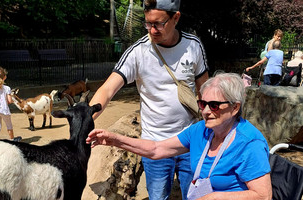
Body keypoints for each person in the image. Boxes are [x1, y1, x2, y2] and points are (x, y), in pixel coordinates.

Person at [88, 0, 209, 199]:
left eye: (158, 24)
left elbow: (205, 91)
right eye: (148, 23)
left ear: (176, 17)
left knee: (196, 196)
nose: (152, 30)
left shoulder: (193, 46)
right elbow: (108, 89)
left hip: (190, 141)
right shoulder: (138, 52)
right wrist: (87, 115)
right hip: (155, 145)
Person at [87, 73, 272, 200]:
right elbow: (157, 149)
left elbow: (263, 196)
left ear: (235, 107)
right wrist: (115, 139)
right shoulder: (201, 130)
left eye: (214, 105)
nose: (206, 111)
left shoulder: (249, 143)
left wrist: (215, 197)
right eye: (202, 104)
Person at [0, 67, 21, 142]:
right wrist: (13, 101)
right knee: (9, 125)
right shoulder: (7, 88)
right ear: (5, 77)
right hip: (4, 110)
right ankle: (12, 139)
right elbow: (9, 100)